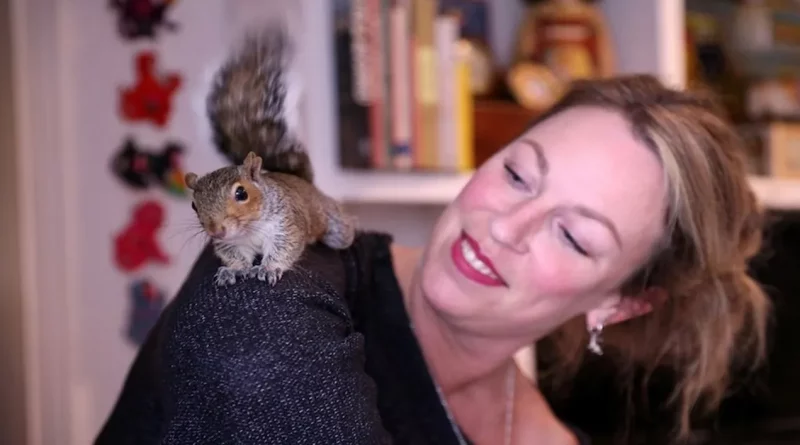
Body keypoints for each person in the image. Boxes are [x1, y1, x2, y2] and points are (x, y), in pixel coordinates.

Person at [93, 26, 770, 445]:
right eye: (517, 174)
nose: (506, 224)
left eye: (573, 235)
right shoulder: (276, 287)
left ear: (621, 302)